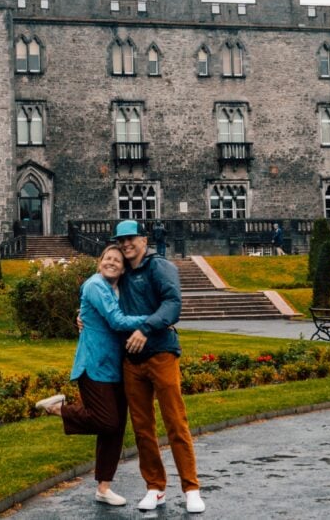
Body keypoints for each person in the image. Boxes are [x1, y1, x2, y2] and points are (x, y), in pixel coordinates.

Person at [35, 245, 150, 507]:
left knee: (116, 429)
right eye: (107, 258)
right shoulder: (96, 285)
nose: (111, 263)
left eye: (117, 260)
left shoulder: (119, 288)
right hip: (94, 364)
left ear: (123, 268)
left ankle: (104, 488)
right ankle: (58, 408)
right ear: (99, 264)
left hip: (116, 366)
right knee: (107, 422)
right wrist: (155, 319)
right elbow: (117, 321)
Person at [114, 219, 205, 513]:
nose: (126, 244)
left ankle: (191, 488)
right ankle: (155, 487)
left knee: (175, 422)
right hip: (132, 359)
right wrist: (83, 317)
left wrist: (145, 329)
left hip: (161, 353)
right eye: (121, 240)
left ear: (144, 240)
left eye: (131, 239)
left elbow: (172, 304)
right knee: (142, 428)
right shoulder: (122, 272)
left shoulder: (159, 266)